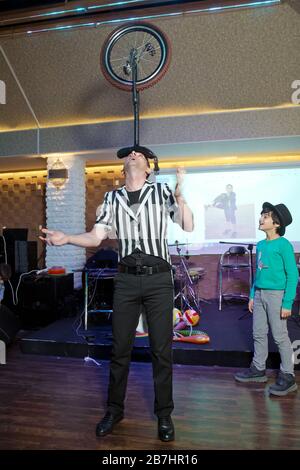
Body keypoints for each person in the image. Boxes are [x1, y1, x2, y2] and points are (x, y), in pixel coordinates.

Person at [40, 145, 194, 441]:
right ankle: (115, 409)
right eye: (129, 155)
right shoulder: (111, 198)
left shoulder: (163, 192)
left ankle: (164, 414)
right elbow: (97, 237)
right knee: (119, 348)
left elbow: (188, 225)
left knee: (161, 350)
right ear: (123, 167)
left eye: (140, 154)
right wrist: (67, 238)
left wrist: (180, 196)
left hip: (158, 278)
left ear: (149, 168)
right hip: (125, 280)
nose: (133, 155)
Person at [234, 202, 298, 396]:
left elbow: (293, 275)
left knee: (280, 336)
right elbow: (259, 273)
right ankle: (258, 369)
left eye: (266, 216)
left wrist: (287, 303)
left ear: (276, 223)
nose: (261, 218)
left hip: (277, 296)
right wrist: (253, 295)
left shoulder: (284, 244)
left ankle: (288, 376)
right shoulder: (261, 245)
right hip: (260, 294)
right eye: (261, 215)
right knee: (258, 333)